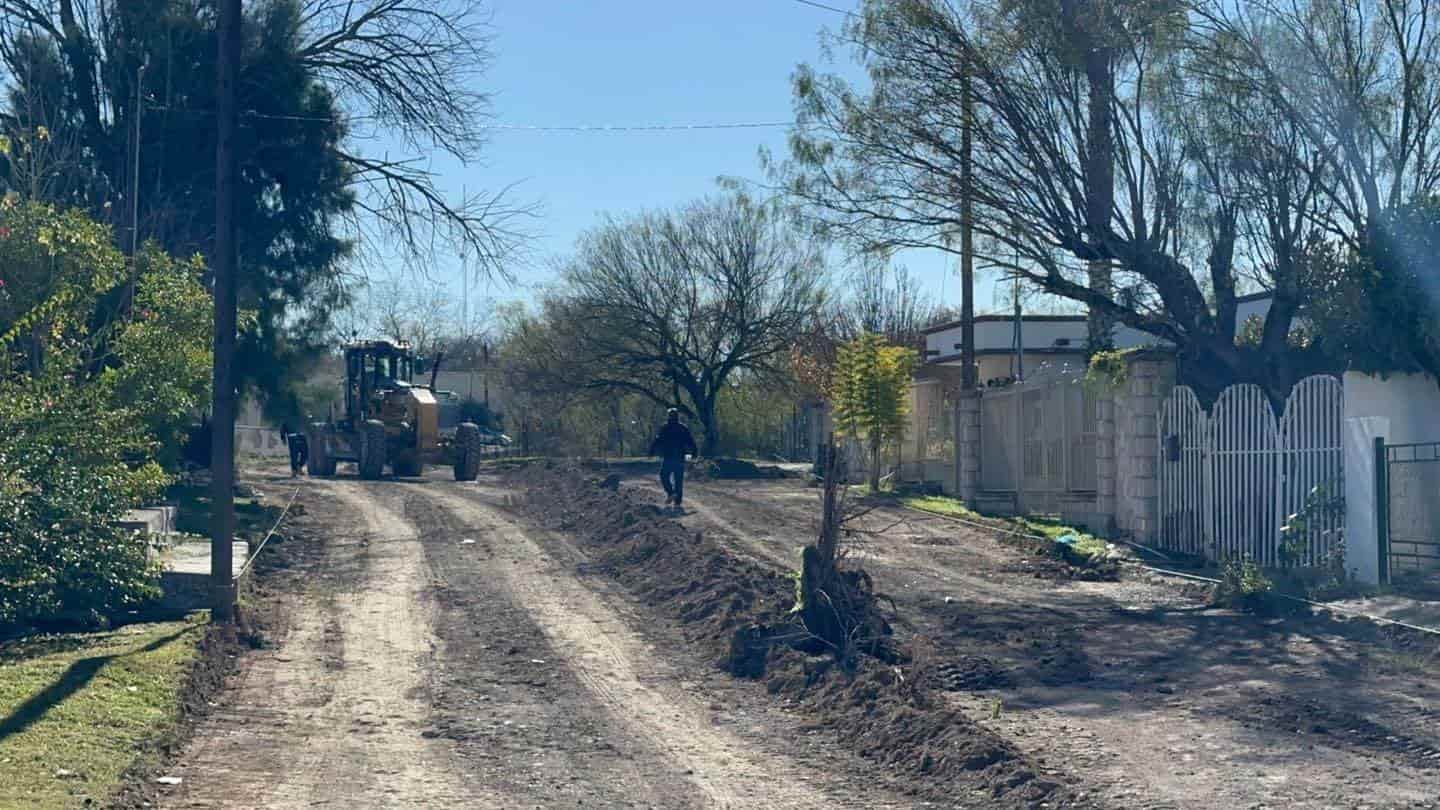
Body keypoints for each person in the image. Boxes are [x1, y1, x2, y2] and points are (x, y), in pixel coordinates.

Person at [648, 408, 698, 507]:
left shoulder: (665, 428)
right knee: (678, 480)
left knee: (664, 476)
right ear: (677, 416)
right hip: (679, 458)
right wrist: (694, 453)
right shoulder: (683, 428)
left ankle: (671, 493)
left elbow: (657, 440)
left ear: (669, 416)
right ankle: (677, 501)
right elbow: (690, 441)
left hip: (668, 457)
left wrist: (651, 451)